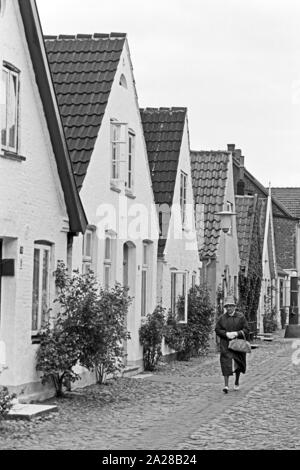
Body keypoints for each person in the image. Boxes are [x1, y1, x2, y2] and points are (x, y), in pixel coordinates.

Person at [215, 295, 250, 394]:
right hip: (226, 343)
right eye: (227, 306)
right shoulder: (222, 318)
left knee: (238, 362)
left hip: (238, 344)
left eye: (231, 306)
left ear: (234, 307)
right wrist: (225, 334)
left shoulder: (240, 317)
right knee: (225, 362)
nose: (229, 308)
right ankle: (226, 385)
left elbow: (247, 329)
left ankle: (237, 381)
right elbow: (217, 329)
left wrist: (237, 333)